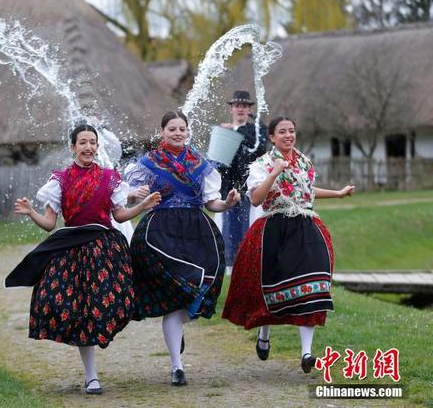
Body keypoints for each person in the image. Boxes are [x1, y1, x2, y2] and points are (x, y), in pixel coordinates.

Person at [4, 124, 160, 395]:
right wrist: (31, 212)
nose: (88, 147)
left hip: (103, 249)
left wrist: (141, 207)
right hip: (71, 251)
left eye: (92, 142)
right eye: (83, 142)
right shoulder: (59, 180)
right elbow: (49, 224)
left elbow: (119, 216)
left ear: (97, 147)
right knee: (75, 309)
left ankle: (99, 342)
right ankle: (91, 376)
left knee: (113, 302)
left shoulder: (110, 178)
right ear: (73, 147)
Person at [221, 116, 354, 373]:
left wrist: (337, 193)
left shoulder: (304, 161)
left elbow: (306, 190)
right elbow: (257, 199)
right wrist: (274, 172)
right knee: (270, 286)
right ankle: (264, 331)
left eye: (291, 131)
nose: (288, 135)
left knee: (314, 284)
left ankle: (306, 353)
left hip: (304, 226)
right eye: (282, 132)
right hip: (274, 227)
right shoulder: (262, 164)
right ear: (272, 137)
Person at [125, 110, 240, 386]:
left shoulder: (201, 163)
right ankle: (177, 366)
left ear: (188, 131)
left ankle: (178, 327)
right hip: (161, 230)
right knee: (182, 287)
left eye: (182, 129)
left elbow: (212, 202)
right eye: (172, 129)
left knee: (206, 279)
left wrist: (227, 204)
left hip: (196, 229)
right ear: (162, 132)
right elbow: (127, 196)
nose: (177, 133)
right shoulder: (148, 163)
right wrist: (136, 194)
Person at [213, 90, 268, 268]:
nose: (240, 109)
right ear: (231, 108)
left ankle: (247, 261)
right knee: (228, 224)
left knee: (249, 222)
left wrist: (238, 130)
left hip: (250, 185)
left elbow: (260, 145)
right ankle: (229, 262)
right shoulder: (223, 132)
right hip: (229, 186)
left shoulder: (254, 131)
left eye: (244, 106)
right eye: (237, 106)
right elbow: (218, 162)